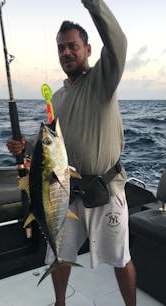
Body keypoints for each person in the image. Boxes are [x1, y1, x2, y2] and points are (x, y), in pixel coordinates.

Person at [7, 0, 136, 305]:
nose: (66, 52)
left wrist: (93, 4)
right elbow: (50, 147)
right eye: (61, 48)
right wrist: (25, 148)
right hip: (65, 192)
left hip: (106, 189)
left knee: (121, 258)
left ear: (88, 50)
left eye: (72, 46)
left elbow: (118, 42)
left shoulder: (103, 80)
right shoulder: (60, 98)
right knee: (58, 255)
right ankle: (60, 302)